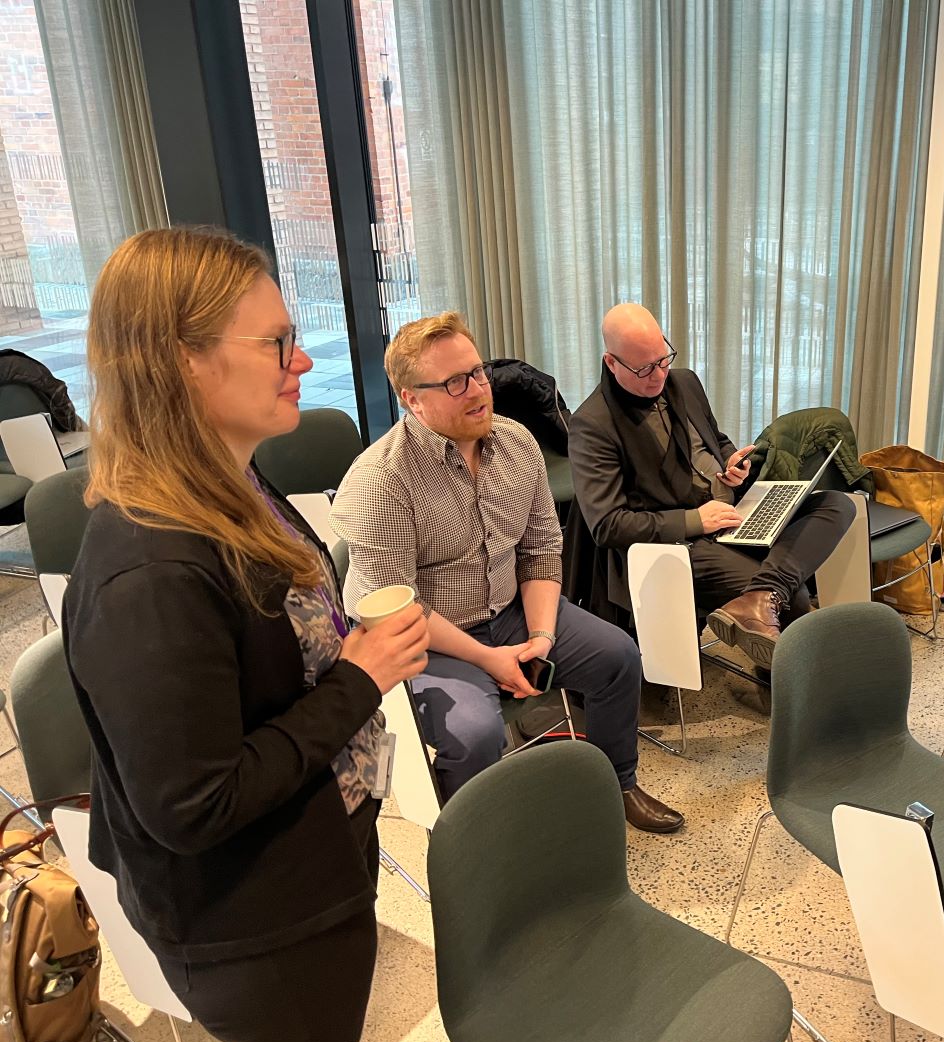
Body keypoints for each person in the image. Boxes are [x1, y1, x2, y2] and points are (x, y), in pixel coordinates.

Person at [64, 227, 430, 1042]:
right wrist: (359, 679)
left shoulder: (231, 480)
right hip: (253, 924)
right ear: (182, 360)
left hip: (312, 847)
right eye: (277, 343)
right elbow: (195, 804)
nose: (302, 361)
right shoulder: (151, 571)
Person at [330, 311, 683, 833]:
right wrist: (489, 659)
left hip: (511, 610)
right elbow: (399, 608)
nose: (478, 390)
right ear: (412, 399)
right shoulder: (382, 480)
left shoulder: (516, 443)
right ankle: (476, 844)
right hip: (426, 638)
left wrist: (541, 636)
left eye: (477, 372)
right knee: (474, 733)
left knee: (618, 658)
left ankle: (617, 784)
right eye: (454, 382)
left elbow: (540, 549)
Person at [569, 303, 855, 669]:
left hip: (731, 514)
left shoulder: (685, 382)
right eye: (643, 369)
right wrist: (696, 520)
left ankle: (761, 596)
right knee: (794, 599)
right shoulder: (593, 425)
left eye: (663, 359)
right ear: (611, 363)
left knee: (836, 504)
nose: (658, 375)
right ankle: (772, 624)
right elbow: (608, 526)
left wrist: (732, 463)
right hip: (678, 542)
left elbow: (715, 440)